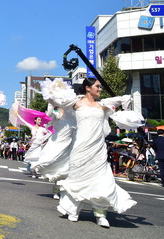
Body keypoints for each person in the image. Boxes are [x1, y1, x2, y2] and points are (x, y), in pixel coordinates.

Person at [56, 78, 136, 228]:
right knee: (77, 179)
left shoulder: (102, 105)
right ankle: (73, 211)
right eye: (97, 86)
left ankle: (100, 214)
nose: (100, 89)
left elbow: (119, 99)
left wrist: (126, 98)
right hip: (80, 148)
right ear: (87, 88)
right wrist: (53, 89)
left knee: (102, 180)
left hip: (98, 149)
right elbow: (57, 101)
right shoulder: (76, 103)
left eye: (100, 87)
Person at [32, 102, 76, 198]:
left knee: (66, 169)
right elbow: (48, 115)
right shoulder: (56, 115)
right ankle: (56, 190)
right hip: (57, 145)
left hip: (70, 145)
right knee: (57, 167)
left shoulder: (73, 116)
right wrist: (51, 101)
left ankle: (64, 191)